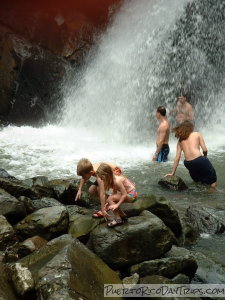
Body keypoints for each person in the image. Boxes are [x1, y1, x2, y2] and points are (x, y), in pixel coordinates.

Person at [165, 121, 217, 188]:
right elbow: (205, 150)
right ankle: (211, 194)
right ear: (190, 128)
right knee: (212, 180)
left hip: (188, 163)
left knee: (198, 181)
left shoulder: (180, 141)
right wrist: (205, 157)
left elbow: (177, 157)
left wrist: (173, 173)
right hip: (200, 160)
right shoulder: (197, 134)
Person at [96, 163, 138, 228]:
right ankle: (123, 216)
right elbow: (114, 192)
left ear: (107, 175)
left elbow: (124, 194)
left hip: (132, 194)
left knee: (110, 198)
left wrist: (117, 204)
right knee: (111, 199)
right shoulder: (112, 179)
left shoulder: (117, 180)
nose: (101, 179)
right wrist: (109, 203)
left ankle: (118, 219)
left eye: (102, 177)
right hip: (129, 193)